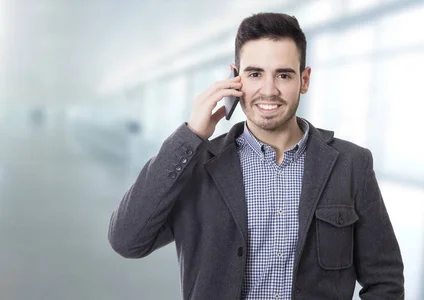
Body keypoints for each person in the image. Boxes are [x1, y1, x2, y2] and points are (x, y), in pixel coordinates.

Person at [107, 12, 404, 299]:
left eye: (284, 75)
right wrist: (190, 135)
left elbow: (384, 279)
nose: (269, 90)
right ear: (236, 79)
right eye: (255, 74)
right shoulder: (198, 166)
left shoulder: (351, 164)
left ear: (304, 79)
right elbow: (127, 240)